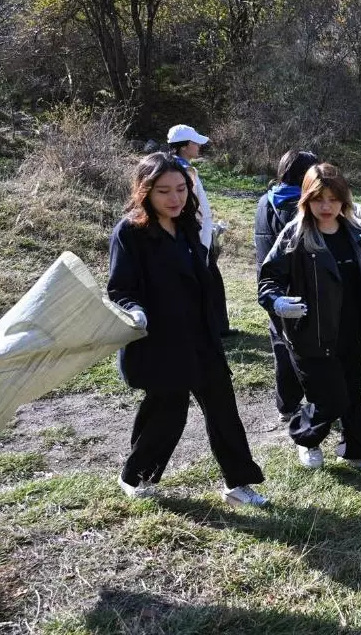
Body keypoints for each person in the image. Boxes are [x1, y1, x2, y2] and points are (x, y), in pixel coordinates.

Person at [108, 153, 267, 507]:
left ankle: (239, 483)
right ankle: (136, 476)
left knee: (224, 410)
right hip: (159, 342)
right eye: (164, 191)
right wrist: (135, 312)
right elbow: (119, 289)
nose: (174, 198)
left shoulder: (188, 226)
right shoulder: (130, 233)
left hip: (200, 337)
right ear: (144, 192)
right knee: (167, 412)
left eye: (181, 189)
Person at [258, 163, 361, 470]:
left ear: (344, 199)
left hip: (351, 329)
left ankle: (357, 450)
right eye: (318, 199)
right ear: (306, 200)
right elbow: (267, 280)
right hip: (309, 333)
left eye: (333, 198)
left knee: (352, 394)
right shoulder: (296, 234)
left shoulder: (355, 235)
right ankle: (307, 440)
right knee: (328, 398)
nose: (326, 206)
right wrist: (277, 302)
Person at [254, 149, 319, 419]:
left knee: (281, 344)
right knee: (310, 348)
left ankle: (287, 405)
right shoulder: (302, 206)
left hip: (270, 286)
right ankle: (318, 399)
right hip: (301, 289)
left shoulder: (264, 201)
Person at [167, 124, 237, 337]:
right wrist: (202, 240)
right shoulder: (184, 171)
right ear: (185, 146)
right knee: (204, 280)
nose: (199, 146)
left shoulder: (174, 167)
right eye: (195, 142)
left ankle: (215, 326)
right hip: (194, 236)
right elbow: (192, 209)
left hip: (196, 234)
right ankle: (210, 327)